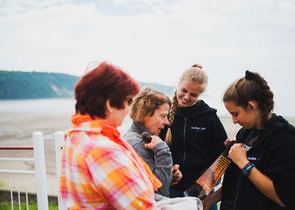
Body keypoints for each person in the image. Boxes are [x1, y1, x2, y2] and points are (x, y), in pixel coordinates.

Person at [59, 62, 162, 209]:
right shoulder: (102, 150)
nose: (128, 109)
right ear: (109, 104)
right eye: (128, 101)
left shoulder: (75, 136)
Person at [203, 70, 295, 210]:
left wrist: (245, 164)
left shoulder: (283, 139)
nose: (234, 121)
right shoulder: (244, 134)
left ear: (251, 106)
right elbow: (235, 183)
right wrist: (209, 201)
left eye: (235, 114)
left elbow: (284, 198)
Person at [160, 64, 227, 203]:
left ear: (200, 94)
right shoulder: (163, 113)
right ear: (178, 84)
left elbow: (221, 154)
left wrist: (208, 183)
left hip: (202, 191)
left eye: (193, 94)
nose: (186, 97)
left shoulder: (209, 117)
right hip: (169, 189)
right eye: (184, 90)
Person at [123, 88, 182, 197]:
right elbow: (159, 192)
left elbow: (151, 182)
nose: (167, 122)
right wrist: (163, 151)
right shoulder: (137, 144)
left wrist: (169, 176)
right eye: (163, 116)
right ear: (145, 114)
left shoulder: (140, 139)